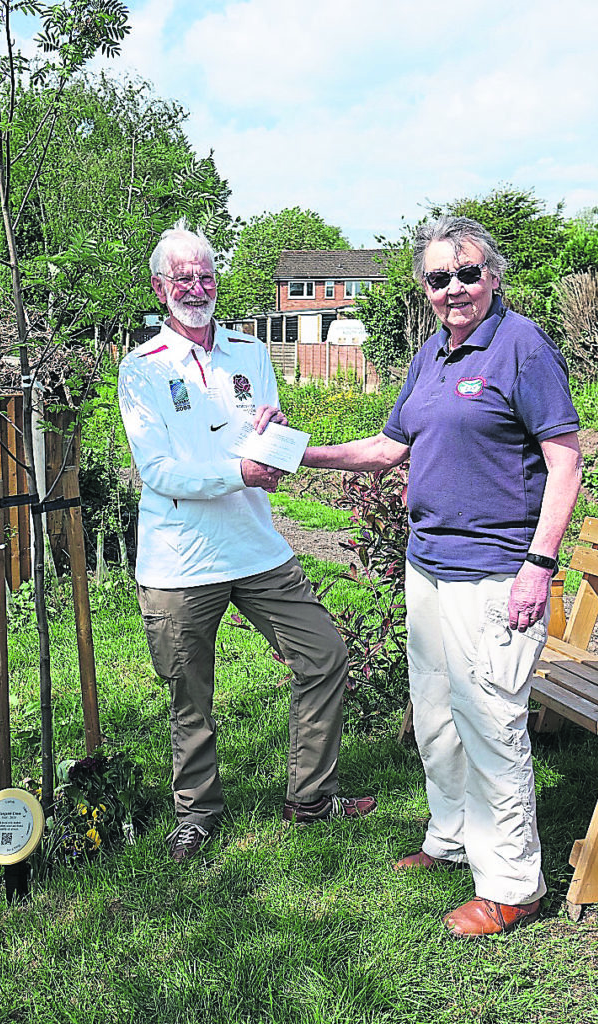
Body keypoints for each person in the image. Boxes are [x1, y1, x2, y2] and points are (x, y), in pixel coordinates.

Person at [303, 216, 582, 936]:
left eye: (466, 274)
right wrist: (299, 454)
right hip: (427, 568)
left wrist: (538, 568)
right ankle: (453, 838)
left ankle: (515, 884)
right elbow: (385, 447)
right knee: (436, 715)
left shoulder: (522, 349)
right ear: (423, 288)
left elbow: (565, 462)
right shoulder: (431, 354)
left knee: (490, 722)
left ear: (493, 276)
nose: (453, 289)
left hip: (495, 572)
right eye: (438, 278)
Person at [117, 222, 375, 863]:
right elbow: (158, 473)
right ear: (160, 287)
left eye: (206, 275)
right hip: (181, 558)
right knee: (189, 692)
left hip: (256, 545)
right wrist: (238, 471)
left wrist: (276, 434)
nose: (197, 288)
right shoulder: (141, 369)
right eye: (184, 278)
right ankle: (196, 814)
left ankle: (311, 797)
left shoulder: (251, 352)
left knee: (323, 655)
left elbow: (266, 426)